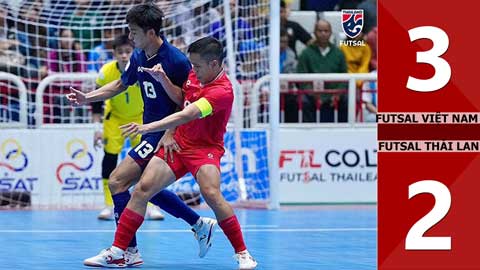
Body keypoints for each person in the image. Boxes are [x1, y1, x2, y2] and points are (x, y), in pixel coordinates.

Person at [83, 36, 258, 269]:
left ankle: (243, 254)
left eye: (197, 66)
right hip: (178, 142)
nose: (192, 70)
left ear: (214, 64)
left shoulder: (223, 91)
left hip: (204, 149)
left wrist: (149, 127)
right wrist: (164, 80)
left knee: (212, 194)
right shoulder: (196, 75)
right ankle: (119, 251)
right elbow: (181, 99)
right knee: (142, 190)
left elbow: (188, 114)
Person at [66, 3, 216, 267]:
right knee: (146, 190)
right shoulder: (138, 55)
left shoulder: (176, 60)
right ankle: (197, 224)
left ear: (150, 32)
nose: (130, 36)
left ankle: (124, 251)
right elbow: (122, 84)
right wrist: (87, 97)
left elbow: (187, 102)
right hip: (151, 131)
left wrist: (169, 130)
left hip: (166, 134)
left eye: (133, 31)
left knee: (117, 181)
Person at [91, 34, 164, 221]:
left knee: (148, 160)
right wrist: (96, 128)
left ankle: (151, 205)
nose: (124, 56)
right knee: (110, 159)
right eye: (120, 52)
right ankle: (108, 204)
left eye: (128, 52)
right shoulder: (106, 72)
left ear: (133, 52)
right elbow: (97, 104)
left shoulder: (142, 68)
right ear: (114, 53)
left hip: (141, 118)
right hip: (114, 119)